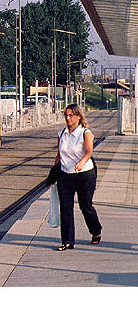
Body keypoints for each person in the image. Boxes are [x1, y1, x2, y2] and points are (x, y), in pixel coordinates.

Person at [54, 103, 102, 251]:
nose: (68, 118)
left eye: (71, 115)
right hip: (65, 174)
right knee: (66, 207)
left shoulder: (85, 133)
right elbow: (59, 154)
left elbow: (89, 152)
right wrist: (54, 171)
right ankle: (67, 241)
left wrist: (81, 162)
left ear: (78, 116)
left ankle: (96, 231)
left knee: (85, 205)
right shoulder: (61, 133)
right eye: (66, 115)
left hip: (84, 174)